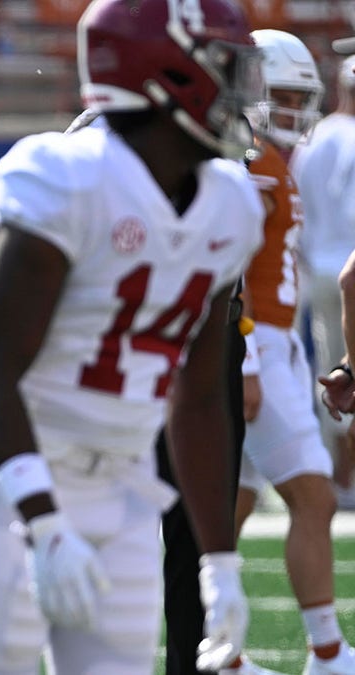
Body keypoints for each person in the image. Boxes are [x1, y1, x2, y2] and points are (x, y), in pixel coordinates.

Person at [0, 0, 264, 672]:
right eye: (223, 66)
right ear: (166, 72)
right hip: (7, 472)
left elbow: (199, 398)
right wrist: (44, 522)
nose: (237, 90)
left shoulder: (232, 202)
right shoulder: (67, 175)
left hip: (125, 482)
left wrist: (219, 560)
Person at [218, 29, 355, 675]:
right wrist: (245, 359)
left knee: (231, 509)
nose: (295, 108)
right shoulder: (247, 159)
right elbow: (230, 264)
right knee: (315, 495)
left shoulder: (272, 157)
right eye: (282, 94)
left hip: (273, 342)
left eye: (303, 95)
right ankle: (327, 651)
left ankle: (222, 650)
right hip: (255, 343)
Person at [294, 52, 355, 510]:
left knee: (331, 375)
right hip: (348, 268)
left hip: (314, 269)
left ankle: (339, 476)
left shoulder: (312, 137)